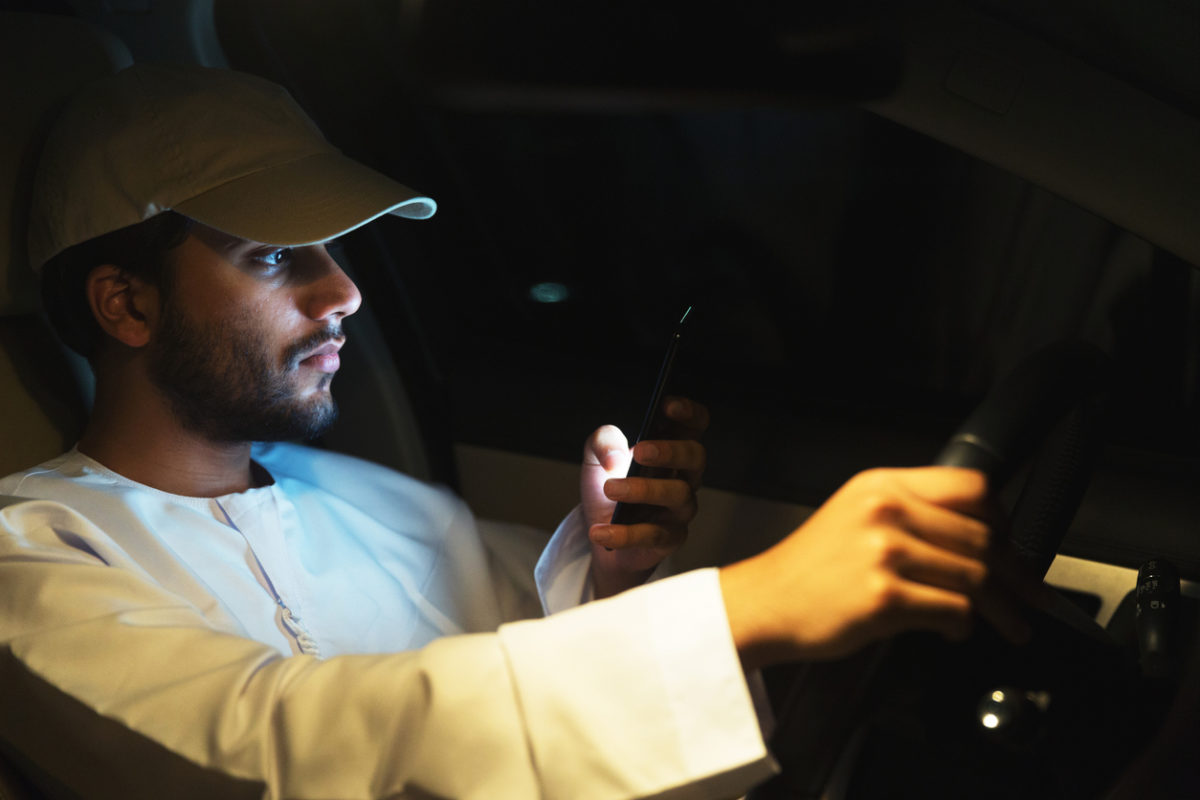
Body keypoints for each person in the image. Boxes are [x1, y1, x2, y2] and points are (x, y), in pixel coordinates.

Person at [0, 63, 1027, 799]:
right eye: (276, 257)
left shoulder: (379, 502)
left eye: (336, 250)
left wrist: (617, 575)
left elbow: (544, 711)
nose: (347, 291)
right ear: (125, 307)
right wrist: (744, 608)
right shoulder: (33, 555)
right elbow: (276, 739)